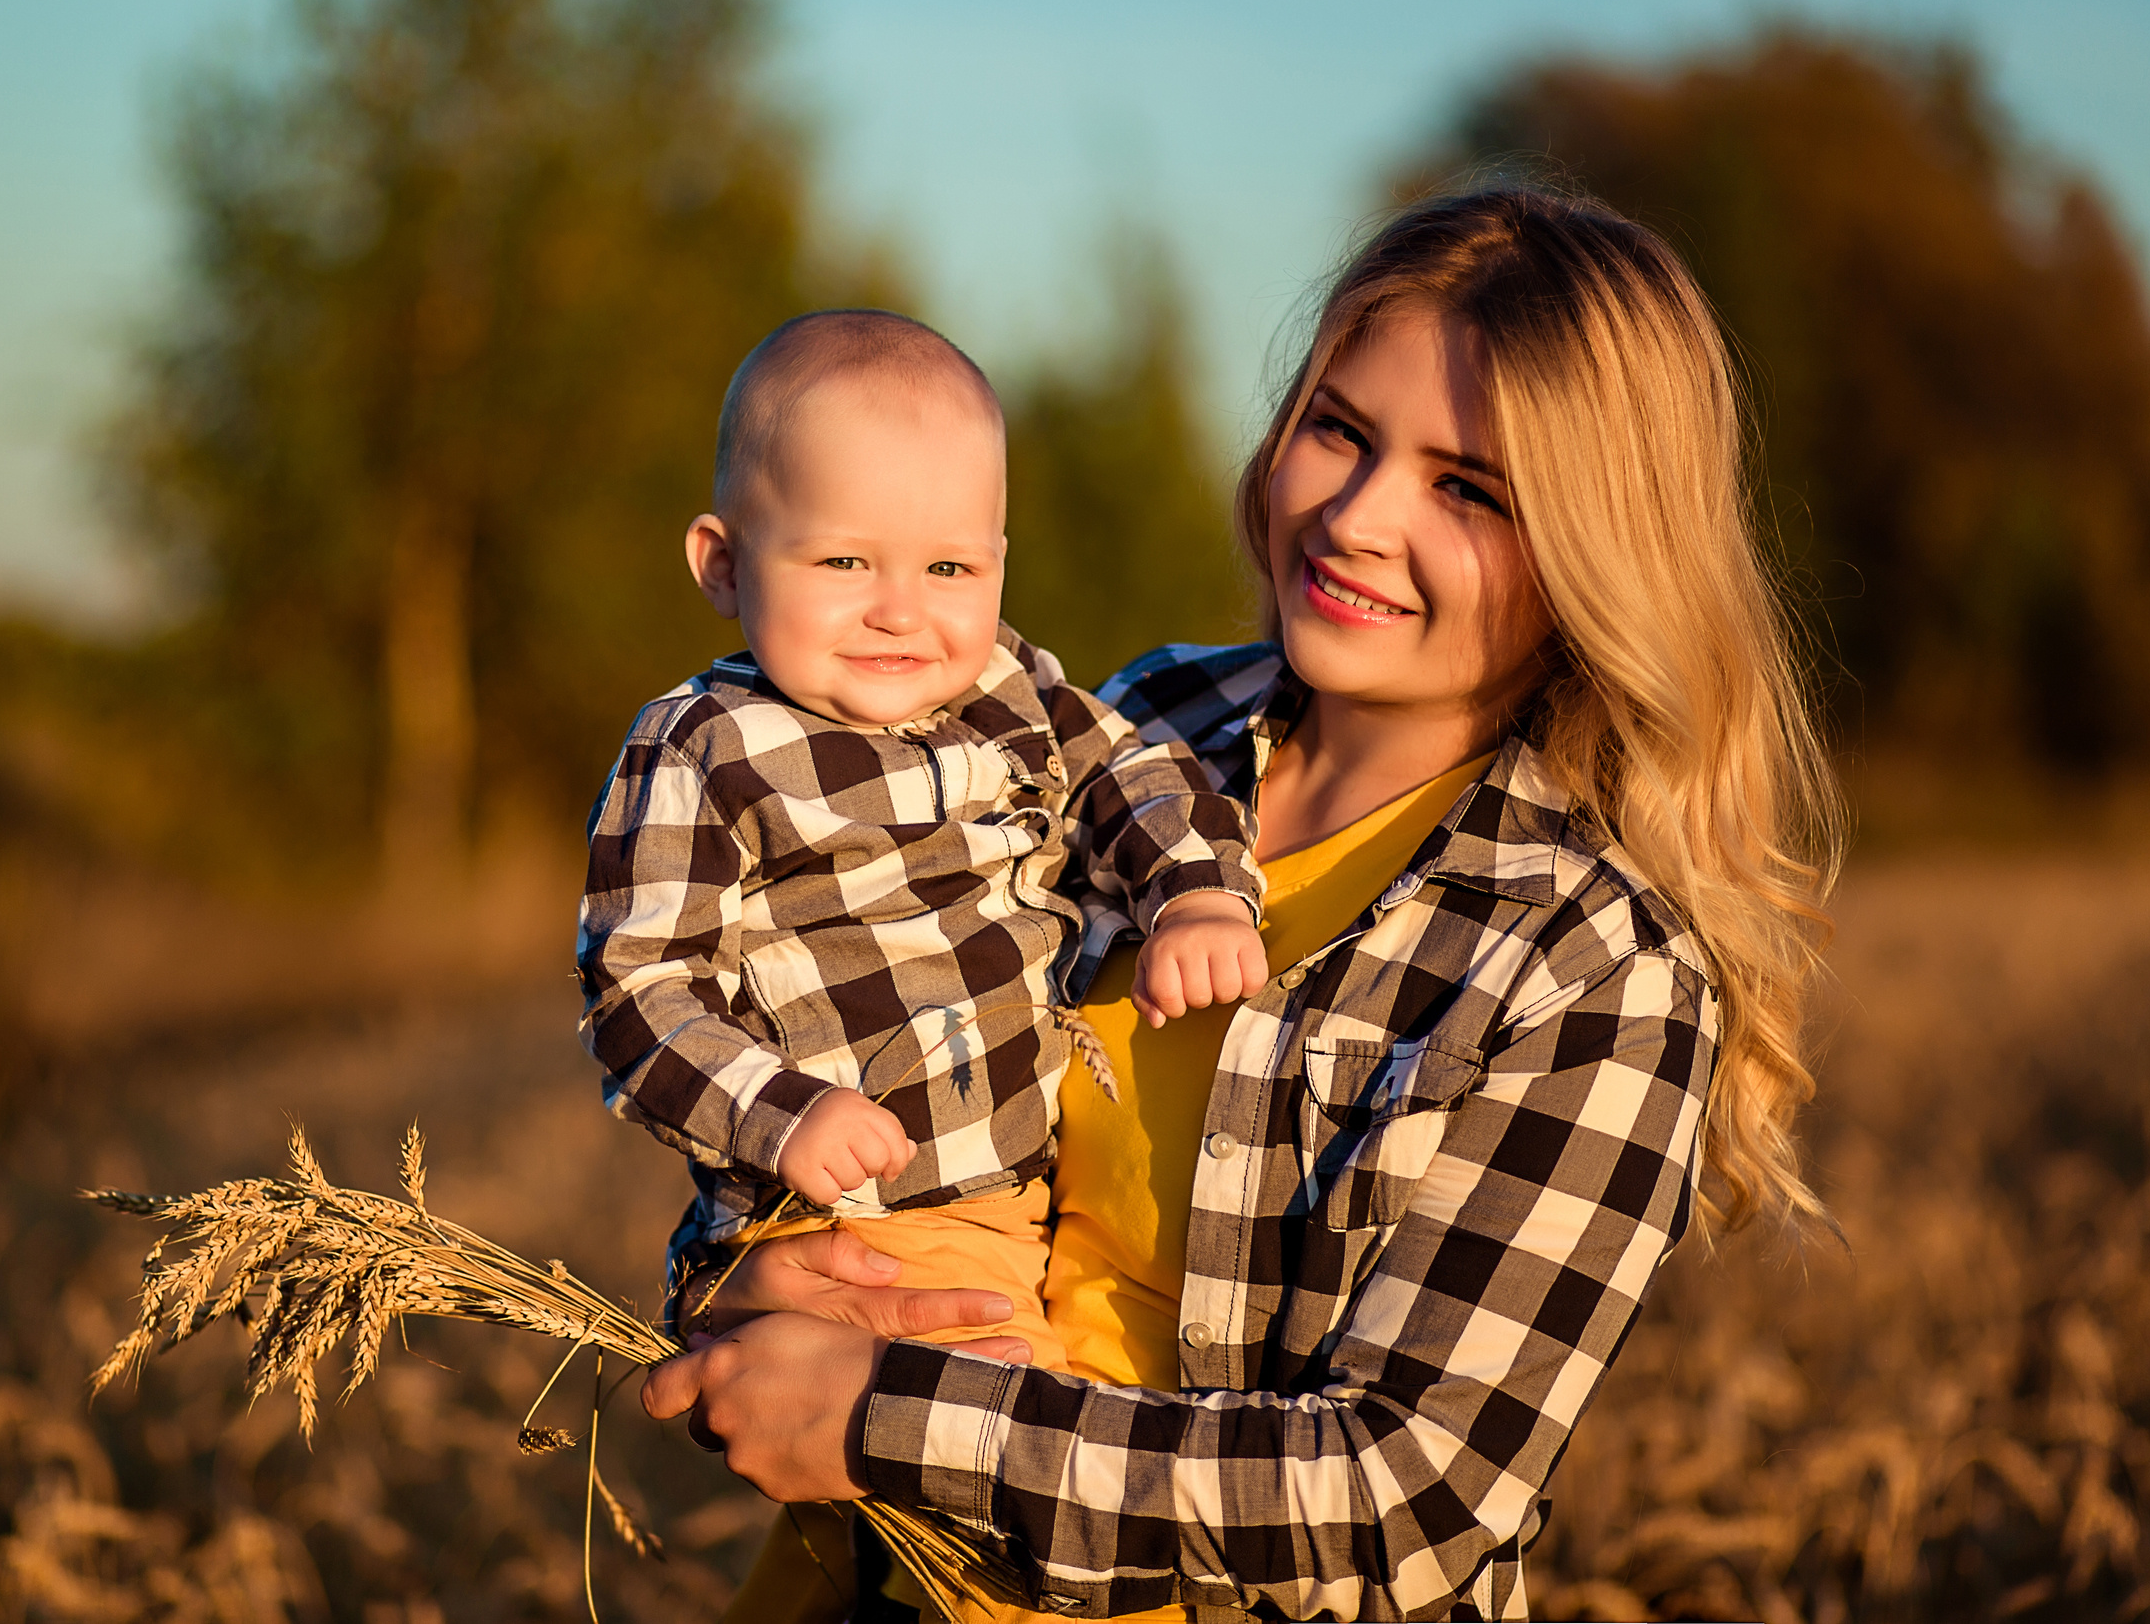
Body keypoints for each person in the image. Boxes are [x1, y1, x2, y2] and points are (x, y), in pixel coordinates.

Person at [643, 185, 1842, 1622]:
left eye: (1468, 489)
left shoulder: (1591, 962)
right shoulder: (1140, 726)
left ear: (1599, 550)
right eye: (1340, 429)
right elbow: (814, 1025)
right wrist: (754, 1293)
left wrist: (886, 1417)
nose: (1356, 515)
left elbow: (1403, 1498)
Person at [577, 309, 1270, 1381]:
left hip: (1026, 1196)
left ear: (999, 563)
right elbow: (639, 991)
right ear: (723, 564)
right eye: (844, 560)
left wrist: (1196, 892)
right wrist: (785, 1115)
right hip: (860, 1216)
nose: (900, 612)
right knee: (1011, 1440)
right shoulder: (708, 748)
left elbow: (1130, 774)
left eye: (948, 567)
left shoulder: (1011, 687)